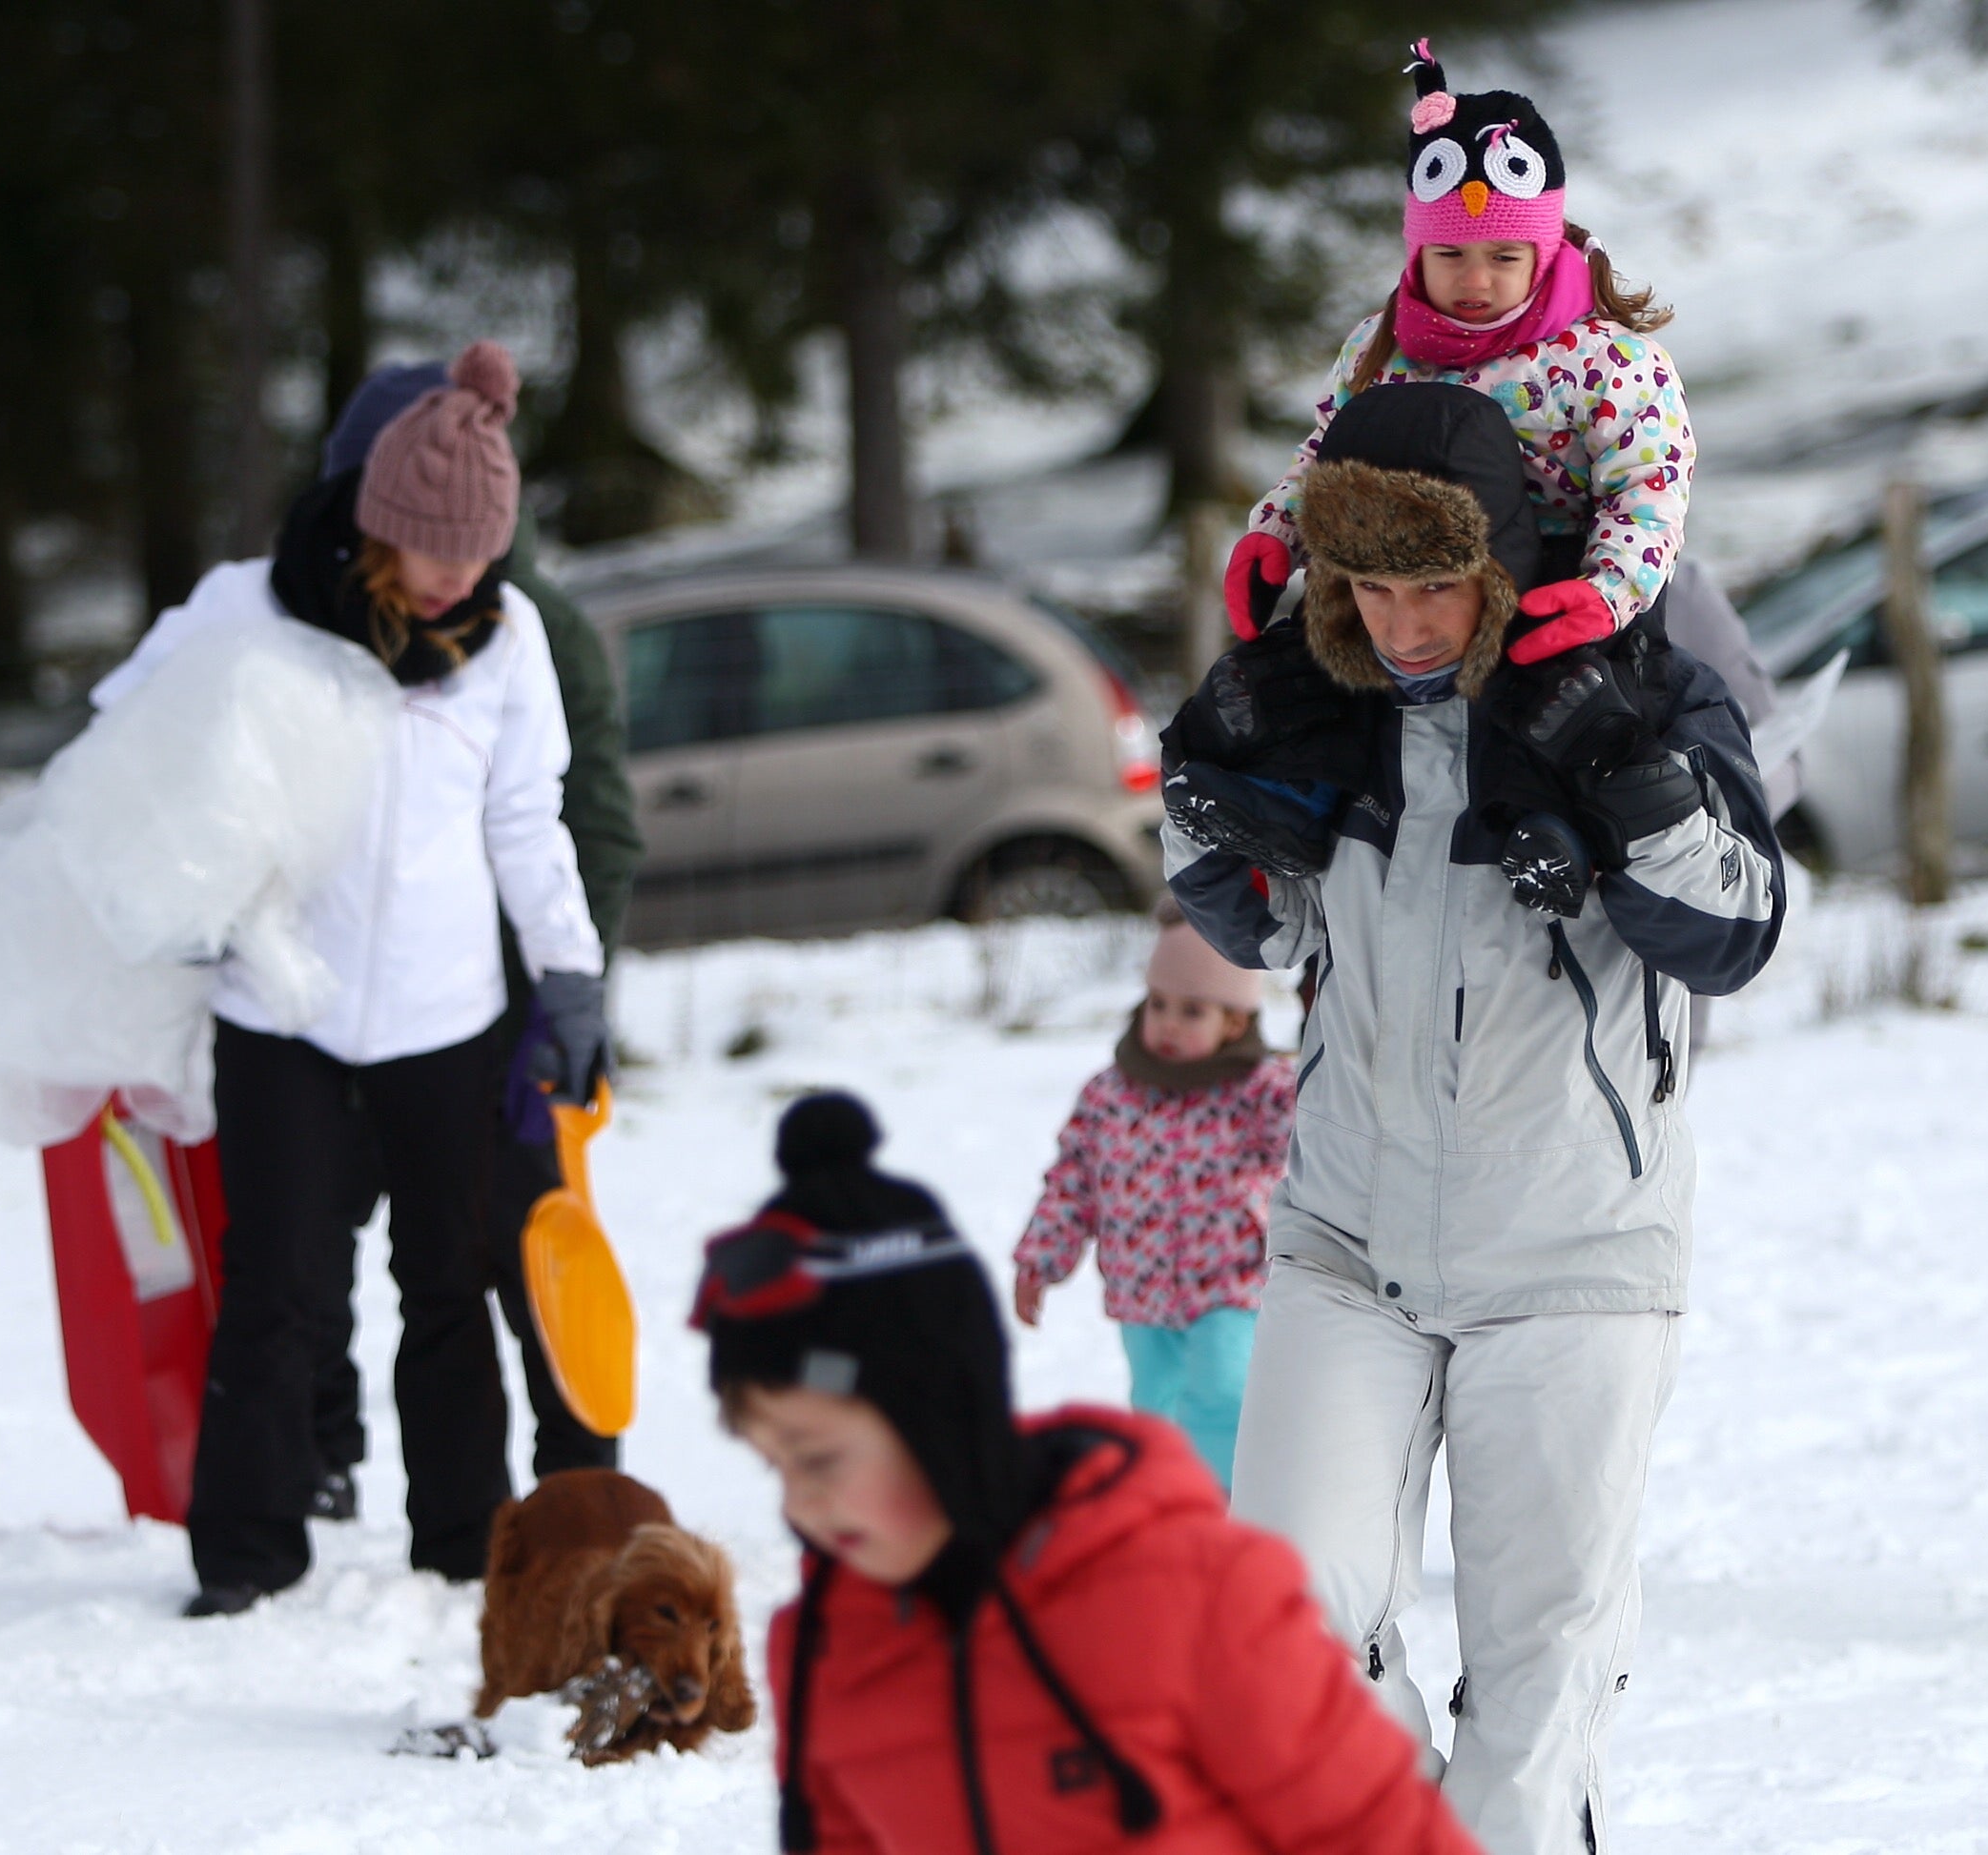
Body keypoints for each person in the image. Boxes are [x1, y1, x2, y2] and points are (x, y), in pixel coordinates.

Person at [1158, 378, 1780, 1854]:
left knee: (1538, 1676)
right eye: (1368, 588)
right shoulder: (1326, 702)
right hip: (1346, 1238)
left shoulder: (1642, 686)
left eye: (1434, 585)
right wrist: (1205, 783)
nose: (1403, 624)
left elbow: (1737, 928)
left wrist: (1625, 777)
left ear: (1500, 564)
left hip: (1573, 1254)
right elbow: (1259, 925)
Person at [95, 341, 611, 1617]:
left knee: (449, 1280)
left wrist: (569, 973)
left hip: (446, 1016)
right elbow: (123, 733)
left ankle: (461, 1539)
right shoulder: (251, 610)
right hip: (281, 1012)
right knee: (277, 1282)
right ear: (379, 522)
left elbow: (527, 817)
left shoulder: (506, 637)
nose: (461, 579)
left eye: (481, 555)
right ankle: (246, 1551)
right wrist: (182, 875)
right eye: (439, 553)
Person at [694, 1094, 1479, 1855]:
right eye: (775, 1465)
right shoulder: (825, 1650)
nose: (800, 1503)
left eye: (820, 1459)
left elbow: (1378, 1830)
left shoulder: (1184, 1597)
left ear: (937, 1411)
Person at [294, 360, 646, 1519]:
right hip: (340, 998)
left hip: (496, 1007)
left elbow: (590, 824)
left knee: (527, 1236)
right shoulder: (317, 618)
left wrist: (558, 992)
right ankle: (320, 1451)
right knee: (312, 1236)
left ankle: (578, 1470)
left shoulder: (531, 632)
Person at [1215, 40, 1690, 677]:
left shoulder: (1608, 363)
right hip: (1404, 613)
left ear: (1543, 255)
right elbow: (1332, 455)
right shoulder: (1380, 347)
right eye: (1450, 256)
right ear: (1417, 253)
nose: (1474, 281)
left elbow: (1648, 490)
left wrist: (1608, 591)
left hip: (1556, 607)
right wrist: (1279, 530)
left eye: (1504, 258)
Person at [1010, 897, 1298, 1489]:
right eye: (1158, 1004)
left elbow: (1311, 1138)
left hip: (1230, 1283)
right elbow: (1072, 1181)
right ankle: (1167, 1500)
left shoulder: (1259, 1092)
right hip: (1140, 1289)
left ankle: (1226, 1502)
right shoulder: (1111, 1095)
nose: (1168, 1023)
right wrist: (1042, 1257)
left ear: (1234, 1023)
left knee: (1222, 1393)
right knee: (1155, 1405)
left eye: (1192, 1011)